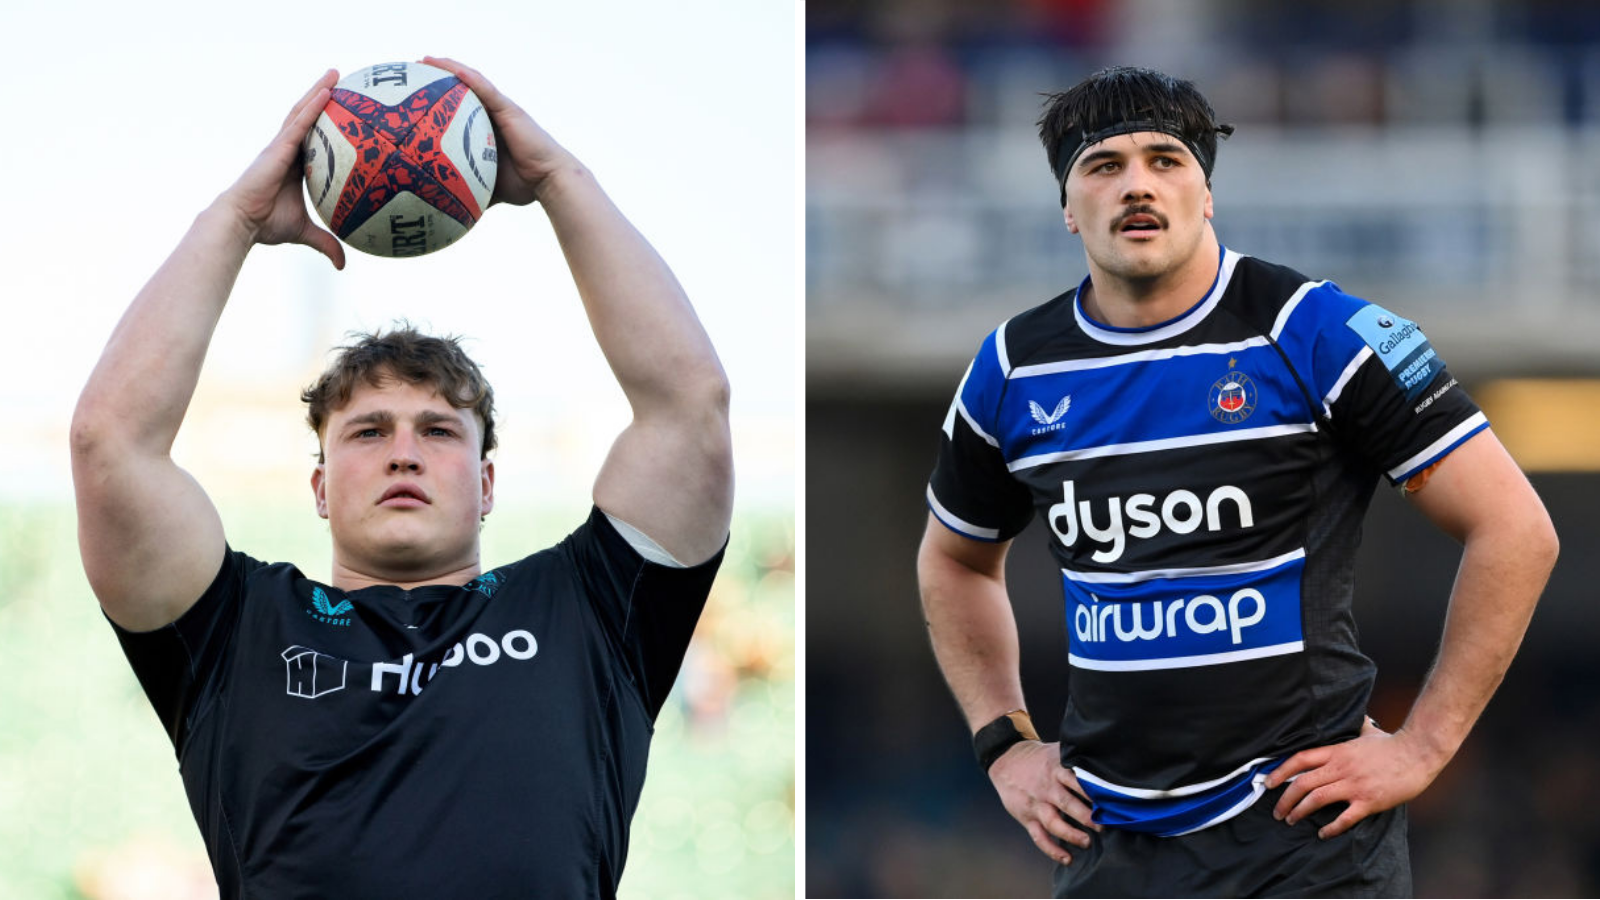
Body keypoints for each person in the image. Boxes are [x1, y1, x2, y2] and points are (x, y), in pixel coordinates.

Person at [70, 57, 733, 900]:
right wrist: (234, 220)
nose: (404, 452)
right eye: (369, 431)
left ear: (487, 485)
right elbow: (110, 445)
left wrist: (561, 181)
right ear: (319, 489)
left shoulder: (593, 611)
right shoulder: (235, 633)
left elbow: (689, 408)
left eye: (439, 431)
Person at [917, 65, 1558, 898]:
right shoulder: (1013, 368)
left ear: (1207, 193)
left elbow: (1514, 529)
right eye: (1103, 166)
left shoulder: (1317, 331)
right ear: (1068, 208)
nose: (1138, 185)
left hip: (1306, 841)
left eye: (1166, 161)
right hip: (1110, 843)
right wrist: (1004, 744)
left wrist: (1423, 746)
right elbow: (955, 560)